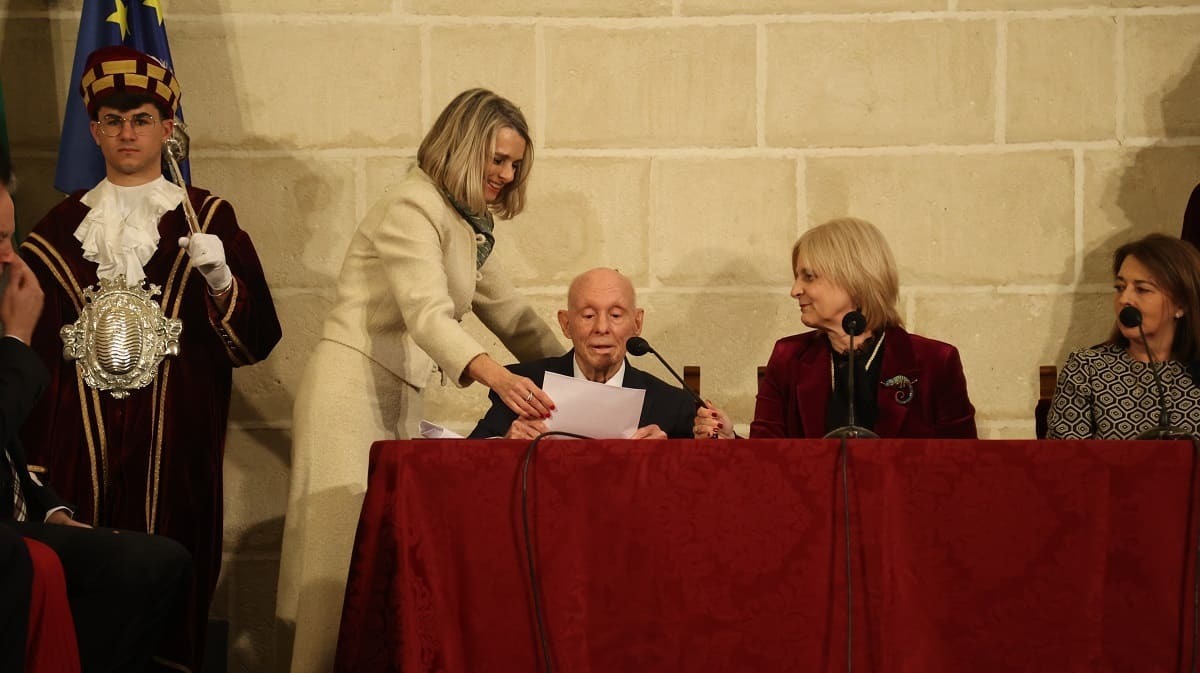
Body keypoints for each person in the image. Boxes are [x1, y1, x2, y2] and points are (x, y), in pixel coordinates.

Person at [276, 88, 564, 672]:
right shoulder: (413, 205)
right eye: (499, 160)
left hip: (390, 391)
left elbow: (517, 318)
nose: (507, 176)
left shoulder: (464, 224)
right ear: (464, 146)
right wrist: (497, 380)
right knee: (335, 564)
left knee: (372, 558)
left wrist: (589, 373)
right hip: (348, 390)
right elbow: (427, 315)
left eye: (515, 165)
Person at [18, 45, 281, 662]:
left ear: (168, 129)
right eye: (112, 121)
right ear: (94, 131)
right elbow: (27, 355)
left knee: (171, 592)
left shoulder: (208, 217)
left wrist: (223, 282)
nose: (126, 133)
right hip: (77, 455)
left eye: (140, 119)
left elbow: (257, 341)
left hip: (177, 449)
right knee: (85, 605)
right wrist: (33, 472)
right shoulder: (57, 231)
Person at [1, 142, 191, 673]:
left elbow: (9, 453)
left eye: (10, 236)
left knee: (160, 561)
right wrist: (16, 341)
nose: (11, 254)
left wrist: (52, 509)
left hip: (23, 519)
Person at [695, 217, 977, 439]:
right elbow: (768, 462)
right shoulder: (788, 357)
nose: (795, 290)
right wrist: (729, 438)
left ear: (854, 278)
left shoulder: (935, 362)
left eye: (809, 276)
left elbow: (963, 467)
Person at [469, 267, 696, 439]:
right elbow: (464, 460)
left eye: (616, 315)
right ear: (566, 324)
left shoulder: (673, 404)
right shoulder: (525, 388)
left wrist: (670, 455)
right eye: (588, 316)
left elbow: (719, 469)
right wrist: (506, 443)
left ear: (637, 322)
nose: (602, 327)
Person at [1047, 234, 1200, 439]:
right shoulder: (1088, 369)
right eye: (1120, 288)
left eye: (1142, 289)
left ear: (1181, 305)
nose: (1124, 299)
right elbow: (1063, 462)